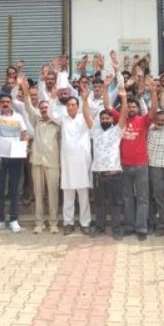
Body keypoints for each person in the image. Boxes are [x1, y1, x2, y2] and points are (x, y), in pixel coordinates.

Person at [107, 77, 157, 241]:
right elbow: (107, 106)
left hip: (141, 165)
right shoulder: (120, 119)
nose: (131, 108)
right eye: (129, 106)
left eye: (134, 106)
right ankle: (129, 226)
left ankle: (141, 228)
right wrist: (107, 87)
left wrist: (154, 92)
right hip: (124, 165)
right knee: (127, 197)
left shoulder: (143, 121)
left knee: (142, 198)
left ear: (138, 109)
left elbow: (153, 111)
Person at [0, 76, 29, 234]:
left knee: (14, 190)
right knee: (0, 190)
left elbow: (25, 134)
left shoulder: (18, 117)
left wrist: (24, 146)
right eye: (2, 102)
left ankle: (14, 220)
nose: (5, 104)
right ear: (0, 104)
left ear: (11, 103)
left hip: (15, 157)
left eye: (8, 102)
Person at [20, 75, 62, 235]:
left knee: (53, 195)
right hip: (37, 162)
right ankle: (39, 223)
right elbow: (28, 106)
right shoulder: (36, 119)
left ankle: (53, 223)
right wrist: (25, 90)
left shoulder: (58, 124)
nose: (44, 109)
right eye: (42, 107)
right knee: (38, 194)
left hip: (53, 163)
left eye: (46, 107)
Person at [90, 87, 129, 240]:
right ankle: (99, 227)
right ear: (99, 120)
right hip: (99, 174)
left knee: (116, 203)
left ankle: (116, 229)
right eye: (103, 119)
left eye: (108, 118)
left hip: (114, 174)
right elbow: (86, 115)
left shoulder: (117, 131)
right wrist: (85, 99)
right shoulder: (95, 131)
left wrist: (124, 99)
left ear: (112, 120)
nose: (105, 120)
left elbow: (124, 115)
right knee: (99, 203)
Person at [59, 81, 95, 236]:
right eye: (68, 105)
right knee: (68, 196)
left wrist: (85, 99)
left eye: (73, 105)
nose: (70, 107)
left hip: (82, 163)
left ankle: (85, 223)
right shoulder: (63, 119)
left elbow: (87, 114)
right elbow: (49, 112)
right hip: (67, 164)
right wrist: (54, 96)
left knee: (83, 196)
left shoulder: (84, 118)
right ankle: (68, 223)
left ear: (78, 106)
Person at [147, 104, 164, 237]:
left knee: (159, 196)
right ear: (154, 120)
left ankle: (161, 224)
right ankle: (150, 223)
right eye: (158, 119)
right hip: (145, 166)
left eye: (163, 120)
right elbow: (146, 112)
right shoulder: (149, 128)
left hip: (158, 167)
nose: (160, 122)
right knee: (146, 196)